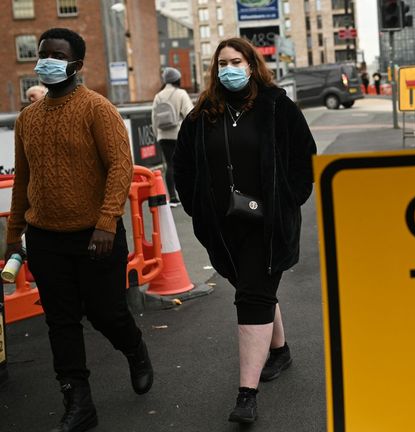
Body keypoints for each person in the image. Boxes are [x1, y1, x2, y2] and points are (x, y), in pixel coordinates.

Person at [5, 28, 153, 432]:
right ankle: (78, 401)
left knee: (106, 312)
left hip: (96, 236)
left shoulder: (96, 108)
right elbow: (23, 181)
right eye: (42, 53)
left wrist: (107, 222)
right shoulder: (27, 119)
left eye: (56, 54)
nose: (46, 61)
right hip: (45, 238)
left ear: (76, 65)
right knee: (61, 320)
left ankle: (134, 347)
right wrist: (12, 236)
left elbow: (121, 167)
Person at [173, 37, 316, 424]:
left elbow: (306, 159)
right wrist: (198, 210)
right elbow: (182, 169)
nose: (229, 69)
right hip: (223, 227)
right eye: (222, 63)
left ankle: (246, 395)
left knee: (252, 295)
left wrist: (287, 201)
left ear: (252, 65)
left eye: (236, 61)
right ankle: (280, 351)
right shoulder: (202, 114)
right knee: (252, 288)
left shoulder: (276, 107)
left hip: (268, 226)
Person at [151, 67, 193, 207]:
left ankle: (173, 198)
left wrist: (158, 135)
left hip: (163, 135)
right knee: (183, 164)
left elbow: (154, 119)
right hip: (179, 134)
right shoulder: (181, 93)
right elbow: (189, 114)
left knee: (170, 165)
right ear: (177, 79)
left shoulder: (158, 96)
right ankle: (185, 194)